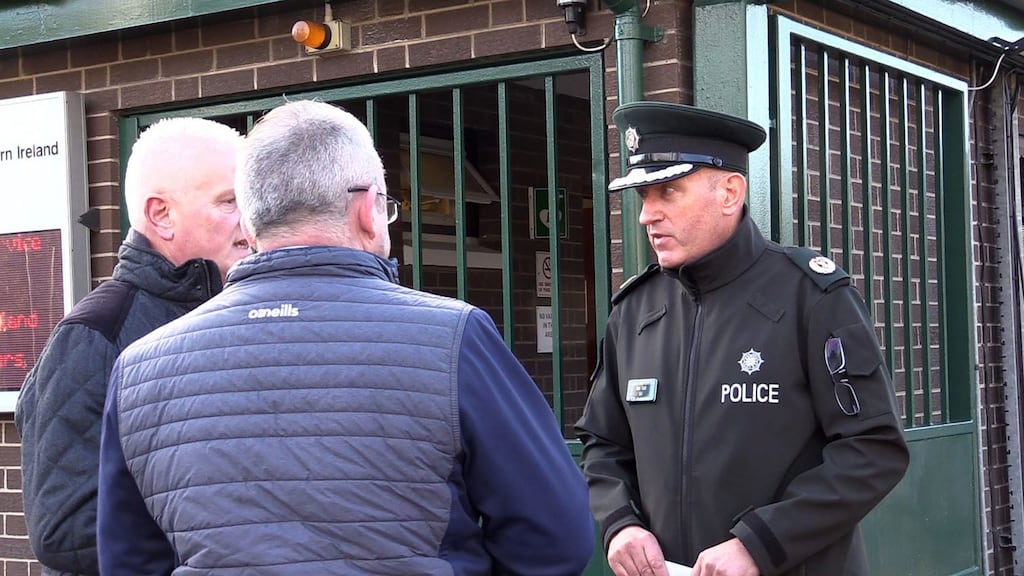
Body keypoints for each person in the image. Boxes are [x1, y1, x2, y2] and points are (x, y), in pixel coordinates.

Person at [96, 100, 595, 575]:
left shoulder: (139, 366)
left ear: (249, 224)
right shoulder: (453, 337)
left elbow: (128, 559)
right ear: (366, 210)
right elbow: (555, 535)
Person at [575, 101, 909, 576]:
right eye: (643, 196)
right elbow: (604, 442)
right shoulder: (635, 311)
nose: (648, 214)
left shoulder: (810, 297)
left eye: (668, 191)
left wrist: (761, 543)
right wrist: (620, 522)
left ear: (730, 192)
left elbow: (872, 449)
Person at [15, 117, 248, 576]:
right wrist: (231, 529)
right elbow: (63, 528)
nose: (250, 220)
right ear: (161, 214)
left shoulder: (243, 314)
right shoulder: (94, 335)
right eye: (230, 202)